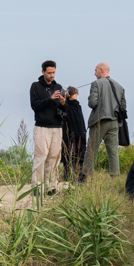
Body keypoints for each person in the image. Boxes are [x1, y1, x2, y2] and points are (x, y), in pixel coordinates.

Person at [28, 60, 67, 195]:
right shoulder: (35, 86)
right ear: (43, 72)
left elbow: (64, 109)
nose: (52, 75)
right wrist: (50, 99)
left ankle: (51, 187)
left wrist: (62, 103)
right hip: (42, 127)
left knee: (54, 157)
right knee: (41, 156)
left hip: (57, 126)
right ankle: (37, 187)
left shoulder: (59, 86)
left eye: (53, 72)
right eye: (49, 73)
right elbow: (34, 105)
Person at [86, 63, 126, 175]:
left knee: (91, 149)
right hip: (114, 122)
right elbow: (123, 106)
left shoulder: (96, 84)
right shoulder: (119, 86)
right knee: (113, 152)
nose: (94, 73)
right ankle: (115, 176)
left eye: (95, 70)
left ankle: (86, 176)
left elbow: (92, 103)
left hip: (99, 120)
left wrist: (89, 98)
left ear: (101, 70)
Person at [61, 86, 88, 184]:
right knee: (69, 154)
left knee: (81, 154)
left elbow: (81, 120)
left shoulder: (78, 106)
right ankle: (68, 176)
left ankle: (80, 175)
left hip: (80, 133)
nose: (76, 95)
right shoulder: (66, 106)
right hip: (70, 133)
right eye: (74, 93)